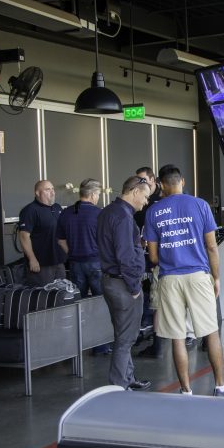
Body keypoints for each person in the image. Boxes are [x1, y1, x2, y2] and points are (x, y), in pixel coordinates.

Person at [144, 164, 224, 397]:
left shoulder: (153, 212)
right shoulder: (200, 205)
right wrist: (216, 278)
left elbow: (154, 257)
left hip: (169, 279)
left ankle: (186, 390)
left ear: (161, 185)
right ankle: (220, 387)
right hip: (198, 277)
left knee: (178, 337)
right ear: (182, 181)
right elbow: (211, 246)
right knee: (211, 332)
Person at [97, 176, 152, 391]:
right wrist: (134, 286)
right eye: (145, 196)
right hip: (123, 284)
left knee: (124, 334)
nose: (146, 202)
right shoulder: (122, 216)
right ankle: (120, 386)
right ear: (134, 191)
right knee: (125, 338)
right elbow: (125, 255)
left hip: (111, 281)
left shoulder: (108, 212)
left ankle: (128, 378)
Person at [56, 178, 111, 355]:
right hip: (96, 263)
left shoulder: (66, 213)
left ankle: (76, 347)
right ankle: (100, 346)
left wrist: (71, 252)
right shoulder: (99, 213)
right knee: (100, 305)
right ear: (94, 194)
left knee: (76, 306)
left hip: (75, 264)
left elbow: (60, 240)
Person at [134, 167, 165, 357]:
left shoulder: (158, 204)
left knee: (157, 304)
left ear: (153, 180)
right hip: (142, 256)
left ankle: (158, 345)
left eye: (143, 179)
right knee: (148, 298)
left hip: (158, 260)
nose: (140, 183)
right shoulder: (138, 205)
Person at [18, 180, 66, 287]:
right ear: (37, 193)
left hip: (58, 261)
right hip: (41, 264)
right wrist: (32, 259)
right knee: (43, 296)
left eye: (53, 189)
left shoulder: (57, 207)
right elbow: (24, 236)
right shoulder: (30, 210)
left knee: (62, 294)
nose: (52, 192)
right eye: (47, 189)